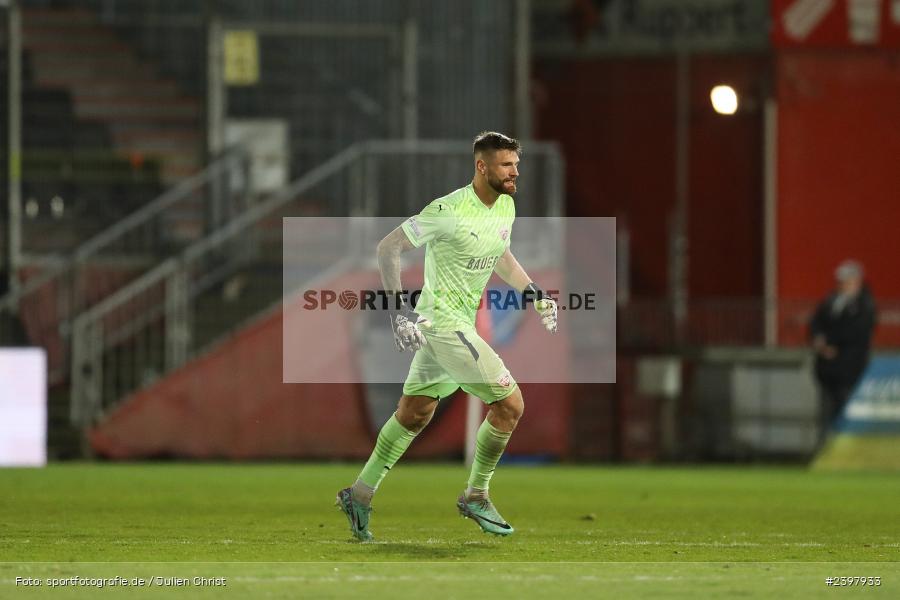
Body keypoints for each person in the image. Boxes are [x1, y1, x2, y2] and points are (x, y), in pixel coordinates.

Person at [336, 132, 558, 541]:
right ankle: (476, 494)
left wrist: (535, 294)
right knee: (510, 405)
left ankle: (359, 494)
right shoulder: (448, 210)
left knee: (413, 414)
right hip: (442, 324)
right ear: (481, 166)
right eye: (507, 165)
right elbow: (389, 247)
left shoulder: (505, 206)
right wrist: (398, 311)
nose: (515, 172)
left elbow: (500, 256)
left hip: (458, 325)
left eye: (516, 164)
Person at [809, 259, 877, 446]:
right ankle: (827, 446)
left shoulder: (865, 305)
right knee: (826, 411)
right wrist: (820, 341)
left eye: (845, 280)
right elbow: (816, 322)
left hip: (849, 367)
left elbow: (858, 332)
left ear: (857, 281)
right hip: (827, 369)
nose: (841, 284)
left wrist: (832, 343)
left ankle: (846, 447)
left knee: (846, 407)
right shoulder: (831, 301)